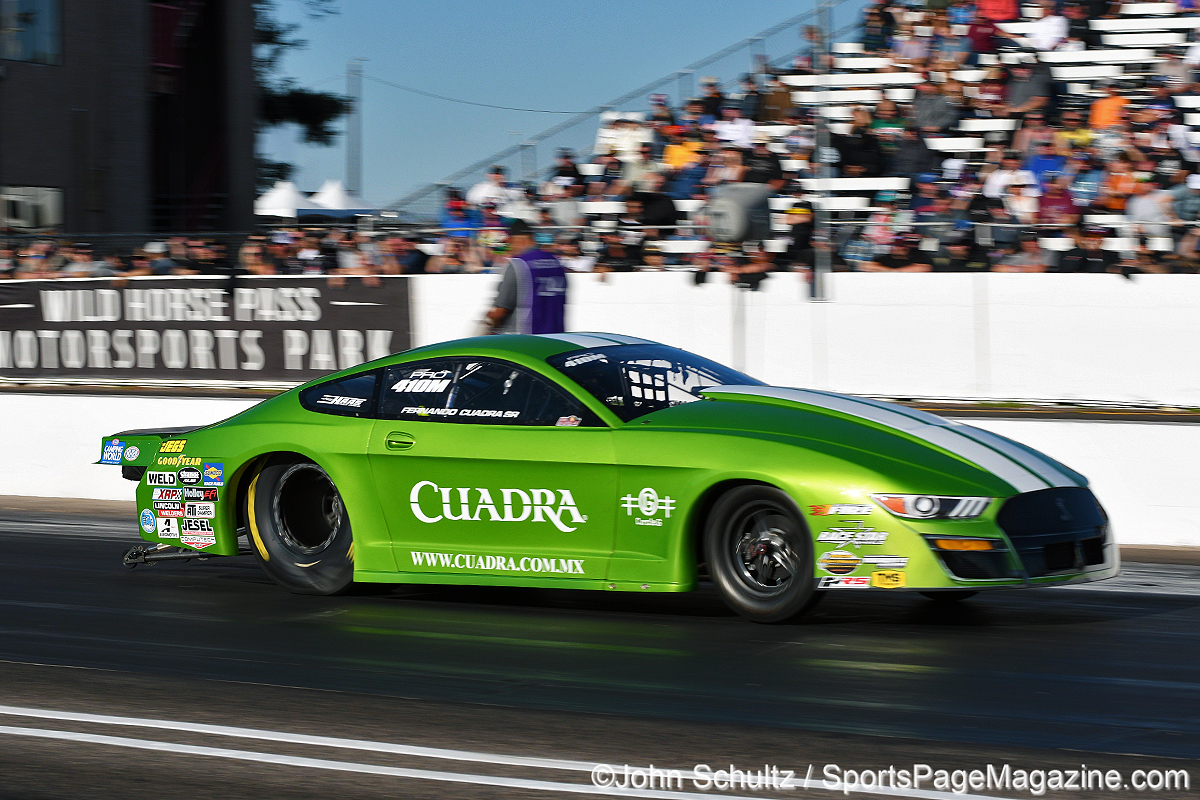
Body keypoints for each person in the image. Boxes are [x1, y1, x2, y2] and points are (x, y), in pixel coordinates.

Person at [486, 220, 568, 335]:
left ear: (518, 240)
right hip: (556, 337)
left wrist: (488, 330)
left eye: (510, 243)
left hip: (526, 339)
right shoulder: (557, 264)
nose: (511, 248)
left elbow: (499, 312)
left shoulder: (518, 265)